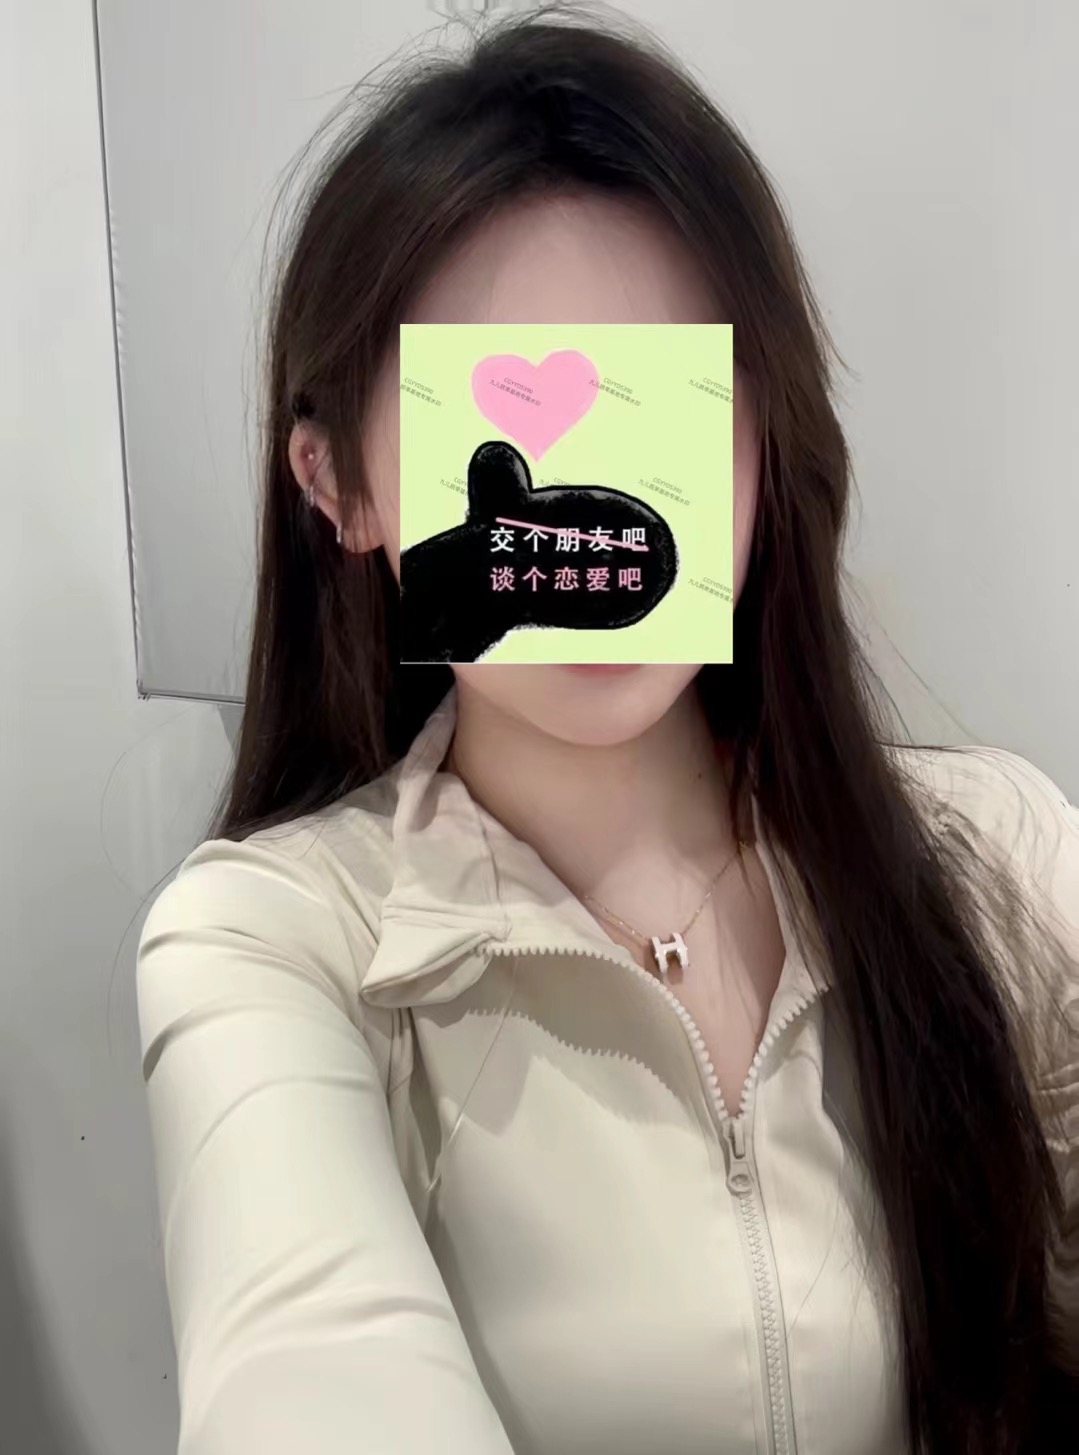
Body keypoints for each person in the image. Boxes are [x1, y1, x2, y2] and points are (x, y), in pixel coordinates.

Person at [135, 10, 1078, 1454]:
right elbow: (307, 1374)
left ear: (763, 441)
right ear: (340, 486)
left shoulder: (1000, 858)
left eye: (669, 406)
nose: (598, 506)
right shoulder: (275, 944)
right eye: (500, 422)